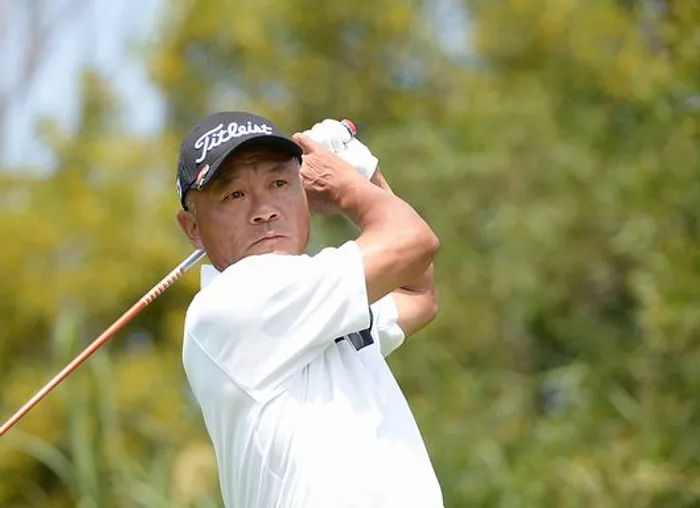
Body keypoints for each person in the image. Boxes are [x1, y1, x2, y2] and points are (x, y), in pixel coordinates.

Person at [175, 110, 443, 508]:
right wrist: (348, 183)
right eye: (234, 195)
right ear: (192, 228)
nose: (264, 209)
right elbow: (413, 242)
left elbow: (417, 294)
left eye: (280, 183)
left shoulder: (310, 307)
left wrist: (363, 174)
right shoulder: (236, 300)